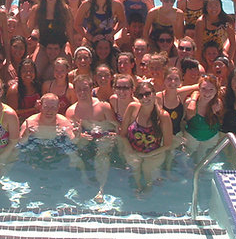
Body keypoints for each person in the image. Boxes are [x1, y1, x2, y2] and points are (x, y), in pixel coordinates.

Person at [66, 73, 117, 201]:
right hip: (86, 138)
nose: (82, 92)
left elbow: (116, 127)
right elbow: (71, 136)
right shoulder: (71, 111)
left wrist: (112, 136)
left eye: (85, 89)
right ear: (75, 91)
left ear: (91, 89)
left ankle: (101, 188)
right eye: (79, 90)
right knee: (73, 151)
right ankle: (84, 177)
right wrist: (79, 136)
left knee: (102, 154)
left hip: (104, 138)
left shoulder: (103, 106)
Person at [120, 79, 173, 191]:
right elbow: (122, 134)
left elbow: (168, 144)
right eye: (140, 95)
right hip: (133, 150)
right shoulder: (133, 108)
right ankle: (138, 187)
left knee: (147, 169)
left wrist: (147, 156)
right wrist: (130, 150)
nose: (145, 98)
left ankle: (148, 188)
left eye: (148, 94)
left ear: (154, 94)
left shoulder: (163, 116)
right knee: (135, 167)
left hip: (154, 153)